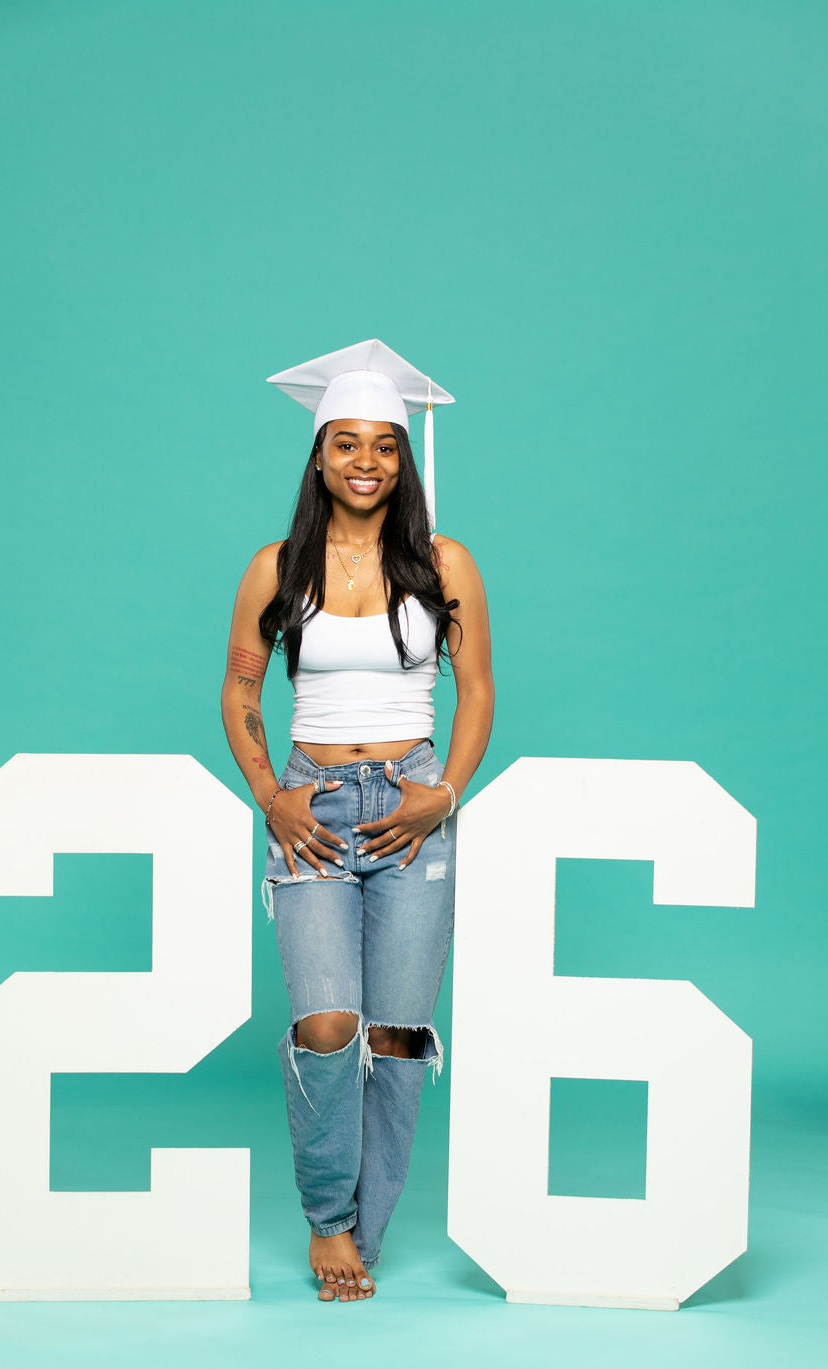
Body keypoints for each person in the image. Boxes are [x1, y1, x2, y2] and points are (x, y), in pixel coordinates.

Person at [221, 339, 493, 1302]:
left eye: (384, 445)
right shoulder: (276, 567)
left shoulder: (443, 562)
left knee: (397, 1034)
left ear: (402, 457)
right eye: (347, 445)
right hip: (317, 807)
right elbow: (241, 689)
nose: (366, 462)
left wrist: (442, 795)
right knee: (328, 1023)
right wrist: (270, 793)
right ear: (320, 456)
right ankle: (328, 1217)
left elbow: (477, 693)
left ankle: (361, 1234)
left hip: (413, 804)